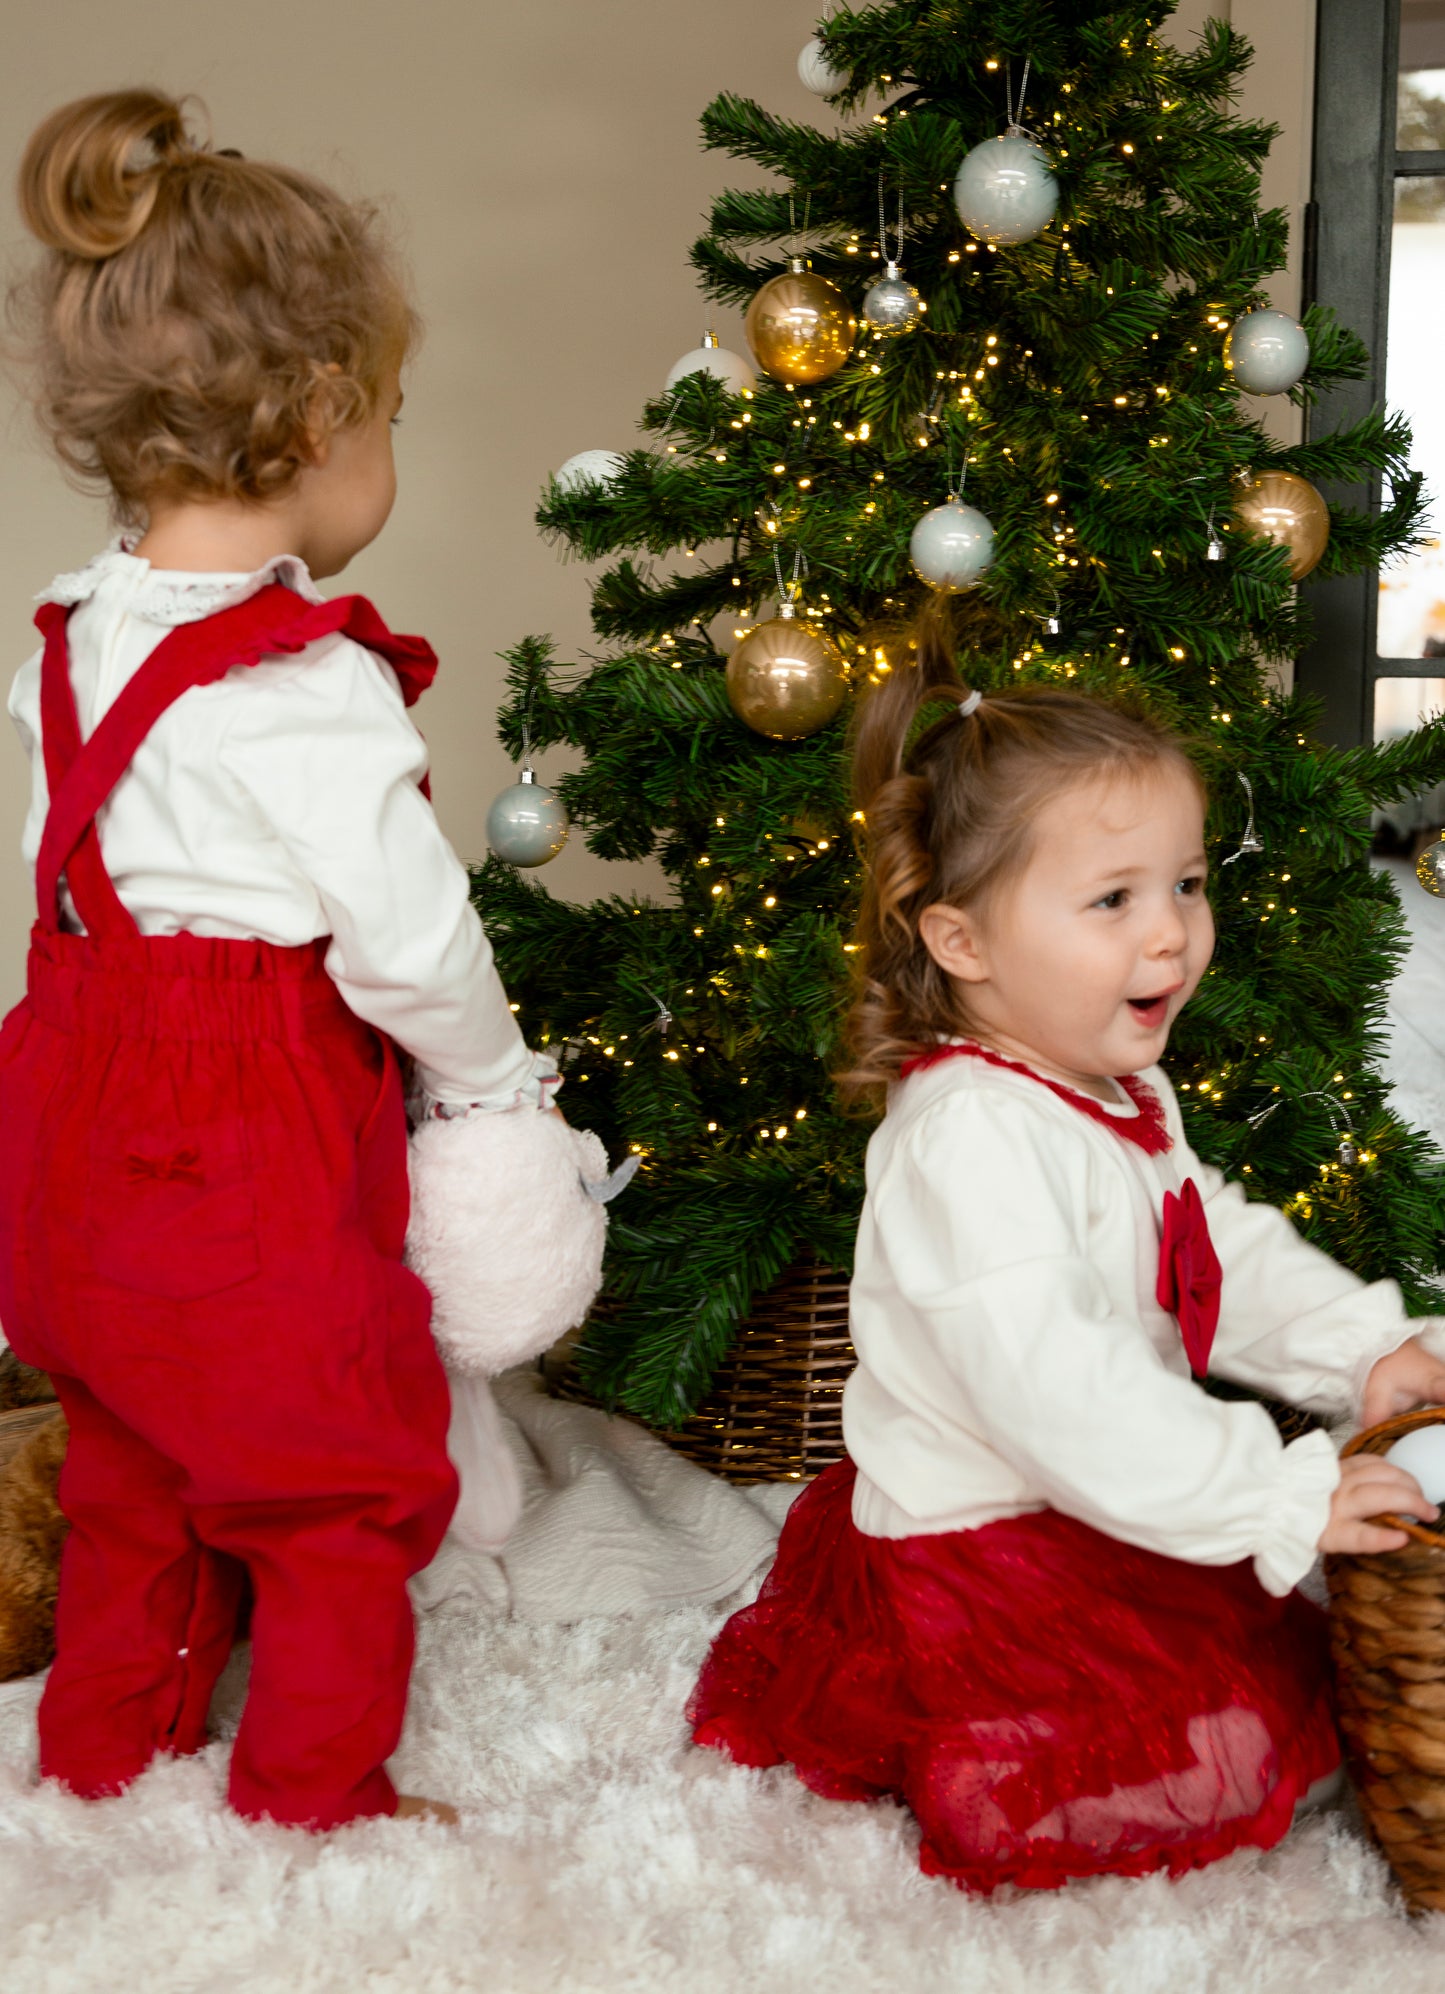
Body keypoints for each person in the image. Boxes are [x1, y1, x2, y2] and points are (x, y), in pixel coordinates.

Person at [689, 611, 1445, 1893]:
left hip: (1088, 1481)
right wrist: (1279, 1491)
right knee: (1216, 1738)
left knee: (1279, 1651)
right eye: (1112, 900)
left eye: (1186, 884)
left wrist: (1363, 1350)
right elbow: (1059, 1392)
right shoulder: (969, 1137)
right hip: (987, 1536)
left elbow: (1216, 1254)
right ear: (961, 943)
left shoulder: (1107, 1085)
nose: (1170, 934)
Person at [0, 89, 557, 1829]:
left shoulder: (69, 638)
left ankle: (106, 1753)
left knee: (135, 1457)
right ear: (322, 415)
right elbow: (409, 944)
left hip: (72, 1110)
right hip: (238, 1129)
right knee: (334, 1477)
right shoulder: (297, 688)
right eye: (388, 410)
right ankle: (315, 1791)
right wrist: (492, 1081)